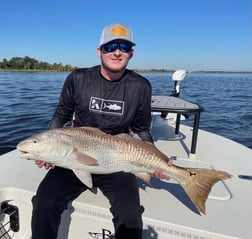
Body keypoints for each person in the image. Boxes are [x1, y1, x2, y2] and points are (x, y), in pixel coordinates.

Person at [32, 23, 172, 239]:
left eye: (124, 47)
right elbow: (61, 115)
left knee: (130, 215)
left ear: (131, 53)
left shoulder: (140, 86)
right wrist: (49, 147)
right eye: (110, 46)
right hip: (74, 154)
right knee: (44, 202)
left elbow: (141, 129)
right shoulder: (78, 78)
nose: (117, 51)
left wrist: (158, 160)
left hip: (118, 160)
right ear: (100, 51)